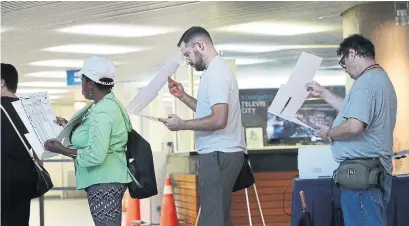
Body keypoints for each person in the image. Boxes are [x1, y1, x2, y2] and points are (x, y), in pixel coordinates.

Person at [306, 34, 397, 226]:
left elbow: (355, 126)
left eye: (343, 62)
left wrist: (328, 133)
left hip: (362, 176)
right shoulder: (379, 79)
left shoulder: (365, 83)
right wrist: (323, 92)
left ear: (352, 53)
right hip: (372, 172)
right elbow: (352, 110)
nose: (345, 68)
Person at [159, 26, 246, 226]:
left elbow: (218, 120)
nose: (187, 60)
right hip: (220, 153)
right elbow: (210, 112)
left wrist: (181, 125)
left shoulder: (216, 74)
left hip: (219, 154)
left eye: (187, 54)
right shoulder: (215, 72)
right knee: (218, 216)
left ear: (200, 45)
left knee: (212, 219)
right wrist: (183, 97)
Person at [44, 56, 132, 226]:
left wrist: (62, 149)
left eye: (82, 80)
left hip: (104, 181)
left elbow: (95, 154)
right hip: (106, 179)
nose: (81, 85)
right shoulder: (105, 105)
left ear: (90, 83)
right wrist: (69, 126)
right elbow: (94, 135)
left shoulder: (103, 111)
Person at [1, 63, 43, 226]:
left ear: (1, 82)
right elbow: (40, 151)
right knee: (19, 221)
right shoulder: (28, 109)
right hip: (24, 176)